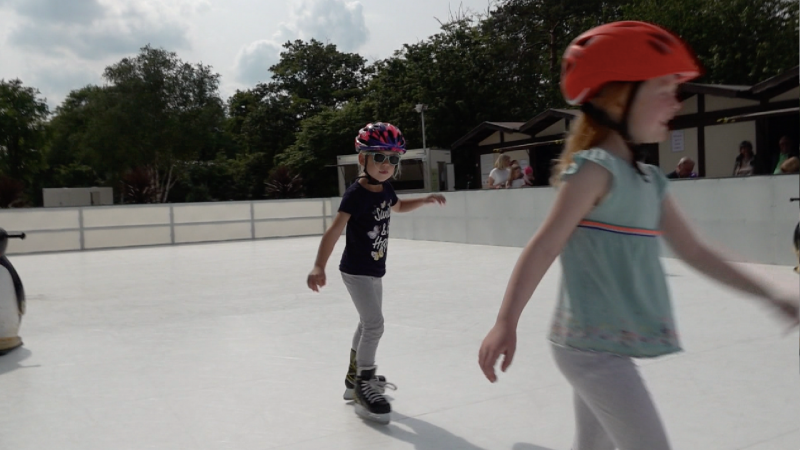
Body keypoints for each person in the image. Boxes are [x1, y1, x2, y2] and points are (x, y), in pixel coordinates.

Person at [477, 21, 799, 450]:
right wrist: (505, 322)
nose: (676, 103)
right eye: (664, 89)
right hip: (590, 352)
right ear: (619, 97)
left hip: (610, 347)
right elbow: (546, 244)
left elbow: (696, 251)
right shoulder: (594, 169)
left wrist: (771, 293)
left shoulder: (650, 179)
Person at [307, 122, 445, 425]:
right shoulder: (355, 194)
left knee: (366, 323)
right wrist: (319, 264)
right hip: (355, 270)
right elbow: (334, 231)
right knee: (375, 324)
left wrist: (422, 200)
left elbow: (397, 207)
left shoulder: (385, 188)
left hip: (375, 268)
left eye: (393, 159)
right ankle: (364, 383)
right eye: (379, 157)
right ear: (362, 159)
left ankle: (353, 379)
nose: (387, 165)